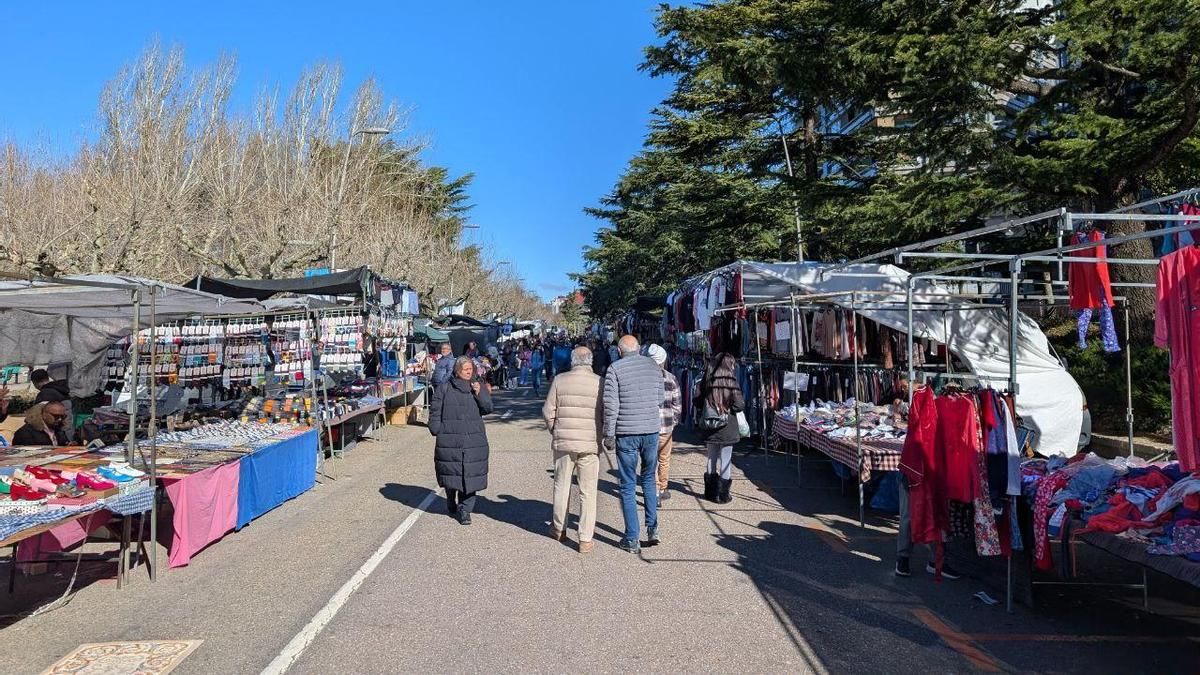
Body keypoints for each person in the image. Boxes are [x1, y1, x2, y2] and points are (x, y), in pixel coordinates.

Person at [603, 335, 664, 553]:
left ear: (619, 351)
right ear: (639, 349)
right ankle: (653, 527)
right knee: (648, 478)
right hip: (650, 429)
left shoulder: (614, 369)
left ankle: (632, 537)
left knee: (628, 484)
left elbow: (611, 406)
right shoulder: (653, 366)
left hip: (627, 432)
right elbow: (659, 399)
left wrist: (608, 435)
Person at [543, 346, 603, 553]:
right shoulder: (599, 382)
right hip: (589, 442)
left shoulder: (560, 380)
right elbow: (605, 413)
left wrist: (555, 429)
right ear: (590, 361)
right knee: (588, 491)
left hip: (564, 441)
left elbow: (548, 410)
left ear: (572, 360)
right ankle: (585, 538)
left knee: (562, 485)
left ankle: (559, 528)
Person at [429, 357, 494, 525]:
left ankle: (465, 510)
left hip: (474, 437)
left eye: (470, 369)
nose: (468, 372)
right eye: (465, 369)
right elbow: (435, 410)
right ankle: (451, 497)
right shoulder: (444, 388)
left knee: (471, 474)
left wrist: (480, 393)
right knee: (452, 470)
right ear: (457, 370)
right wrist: (435, 428)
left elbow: (488, 408)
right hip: (450, 436)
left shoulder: (477, 386)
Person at [698, 353, 744, 504]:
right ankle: (723, 495)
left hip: (710, 425)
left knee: (711, 457)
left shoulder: (707, 380)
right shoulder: (731, 382)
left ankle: (710, 492)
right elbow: (739, 405)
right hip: (727, 426)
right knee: (725, 460)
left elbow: (697, 400)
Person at [646, 344, 681, 504]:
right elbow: (677, 404)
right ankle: (662, 488)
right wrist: (674, 421)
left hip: (648, 425)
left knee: (651, 459)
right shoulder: (671, 378)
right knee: (664, 458)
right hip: (666, 425)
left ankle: (655, 490)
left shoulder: (644, 377)